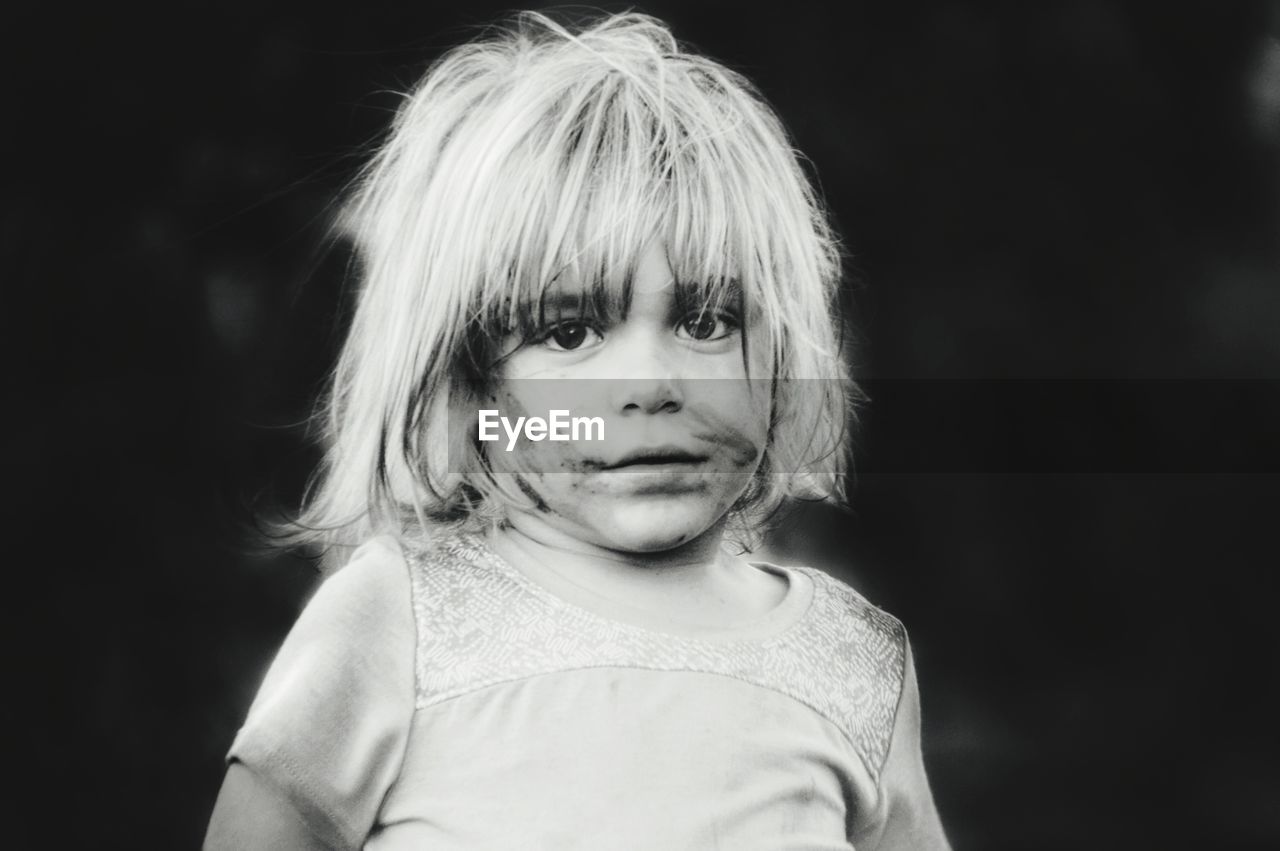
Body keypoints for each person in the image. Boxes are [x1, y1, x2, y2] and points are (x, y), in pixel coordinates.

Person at [205, 11, 950, 850]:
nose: (650, 385)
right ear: (466, 371)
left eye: (706, 320)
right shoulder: (398, 619)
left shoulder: (852, 660)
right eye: (568, 332)